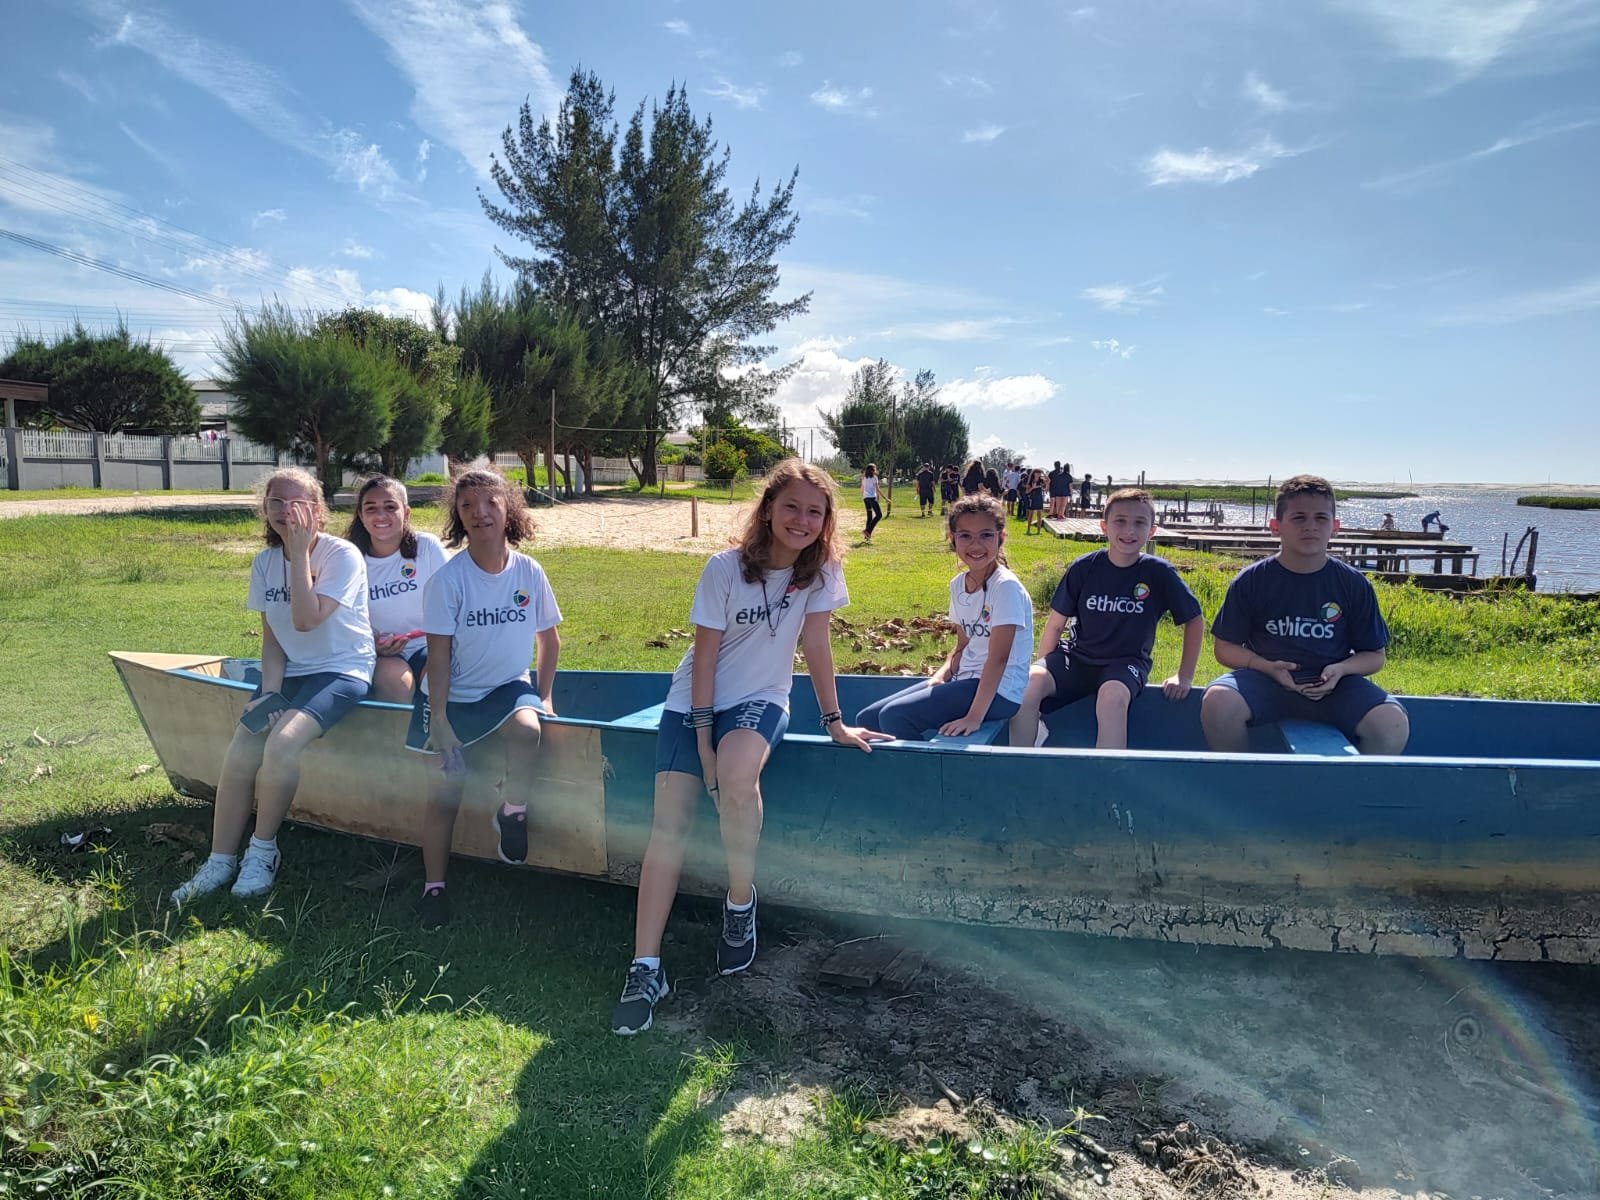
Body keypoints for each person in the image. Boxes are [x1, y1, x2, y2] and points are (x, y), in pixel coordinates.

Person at [612, 459, 887, 1035]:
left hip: (763, 698)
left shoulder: (822, 572)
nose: (803, 520)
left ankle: (740, 904)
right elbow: (705, 658)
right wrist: (704, 746)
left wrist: (836, 721)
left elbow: (816, 645)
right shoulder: (723, 569)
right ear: (767, 509)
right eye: (791, 506)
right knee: (670, 824)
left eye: (816, 512)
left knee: (738, 779)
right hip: (693, 702)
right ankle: (646, 967)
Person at [170, 468, 375, 905]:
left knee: (282, 745)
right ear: (265, 510)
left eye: (297, 502)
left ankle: (263, 852)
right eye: (276, 502)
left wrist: (299, 555)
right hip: (292, 673)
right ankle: (219, 859)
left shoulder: (342, 557)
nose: (286, 511)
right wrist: (270, 693)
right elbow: (275, 637)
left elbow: (305, 619)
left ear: (317, 512)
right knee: (243, 745)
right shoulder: (264, 563)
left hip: (343, 671)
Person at [405, 469, 562, 928]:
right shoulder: (449, 580)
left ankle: (512, 811)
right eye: (467, 505)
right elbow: (437, 654)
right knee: (444, 794)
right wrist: (439, 721)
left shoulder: (529, 571)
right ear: (458, 515)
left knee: (529, 729)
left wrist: (545, 697)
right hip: (452, 697)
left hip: (508, 688)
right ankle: (434, 888)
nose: (479, 513)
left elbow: (548, 641)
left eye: (490, 502)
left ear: (508, 507)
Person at [1200, 475, 1409, 755]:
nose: (1310, 526)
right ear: (1276, 527)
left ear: (1335, 527)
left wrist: (1341, 669)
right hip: (1267, 681)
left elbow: (1374, 655)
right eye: (1299, 518)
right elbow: (1224, 648)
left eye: (1321, 518)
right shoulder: (1252, 580)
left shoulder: (1353, 584)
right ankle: (1243, 783)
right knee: (1218, 702)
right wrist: (1266, 666)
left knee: (1392, 723)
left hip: (1335, 686)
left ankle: (1354, 793)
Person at [1010, 489, 1203, 750]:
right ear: (1104, 527)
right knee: (1029, 683)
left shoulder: (1159, 573)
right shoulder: (1085, 567)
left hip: (1125, 663)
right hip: (1076, 659)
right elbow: (1056, 625)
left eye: (1139, 523)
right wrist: (1045, 672)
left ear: (1152, 531)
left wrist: (1185, 676)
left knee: (1112, 698)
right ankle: (1019, 764)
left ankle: (1106, 780)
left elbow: (1194, 620)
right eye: (1120, 521)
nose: (1129, 531)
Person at [856, 494, 1033, 740]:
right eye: (965, 536)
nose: (976, 545)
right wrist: (940, 677)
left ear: (1000, 538)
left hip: (1000, 693)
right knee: (868, 719)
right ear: (953, 539)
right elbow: (962, 645)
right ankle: (893, 774)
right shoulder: (958, 585)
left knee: (894, 717)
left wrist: (974, 716)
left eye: (986, 535)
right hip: (965, 681)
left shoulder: (1005, 587)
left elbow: (998, 659)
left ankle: (930, 776)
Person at [347, 475, 449, 702]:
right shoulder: (350, 560)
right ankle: (393, 737)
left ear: (407, 512)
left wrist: (439, 649)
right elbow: (344, 621)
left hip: (431, 646)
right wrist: (374, 646)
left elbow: (455, 602)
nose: (381, 515)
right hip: (379, 654)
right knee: (397, 682)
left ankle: (434, 733)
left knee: (437, 676)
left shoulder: (427, 547)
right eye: (371, 508)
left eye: (390, 507)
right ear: (361, 516)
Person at [860, 463, 883, 543]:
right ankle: (868, 531)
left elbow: (861, 489)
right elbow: (878, 489)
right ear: (873, 470)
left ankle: (867, 536)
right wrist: (886, 498)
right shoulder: (874, 478)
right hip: (872, 498)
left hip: (865, 498)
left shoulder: (864, 478)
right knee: (879, 515)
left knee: (869, 516)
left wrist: (865, 494)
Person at [1026, 467, 1047, 535]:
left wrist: (1043, 473)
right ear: (1034, 473)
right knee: (1030, 514)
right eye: (1037, 472)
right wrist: (1032, 487)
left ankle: (1038, 531)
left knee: (1039, 515)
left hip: (1039, 498)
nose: (1038, 474)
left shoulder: (1041, 480)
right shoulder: (1031, 481)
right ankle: (1028, 530)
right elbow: (1027, 491)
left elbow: (1049, 480)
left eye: (1039, 473)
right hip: (1032, 498)